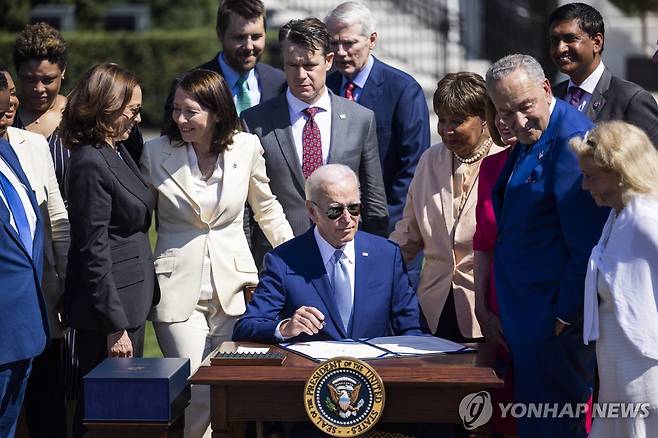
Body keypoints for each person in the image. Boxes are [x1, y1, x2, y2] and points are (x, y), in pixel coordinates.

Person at [142, 68, 293, 438]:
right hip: (177, 292)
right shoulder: (154, 152)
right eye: (176, 109)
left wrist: (296, 261)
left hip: (236, 291)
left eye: (190, 111)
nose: (180, 119)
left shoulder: (246, 147)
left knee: (229, 390)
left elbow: (267, 209)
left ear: (217, 112)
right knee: (199, 390)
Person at [485, 54, 609, 437]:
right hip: (529, 318)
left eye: (525, 107)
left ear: (544, 89)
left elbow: (586, 243)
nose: (518, 121)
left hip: (552, 327)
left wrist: (563, 316)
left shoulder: (573, 142)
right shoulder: (534, 132)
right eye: (505, 112)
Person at [59, 63, 158, 438]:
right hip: (108, 312)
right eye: (131, 110)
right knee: (101, 415)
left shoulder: (114, 149)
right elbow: (92, 250)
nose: (137, 118)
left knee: (121, 413)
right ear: (107, 106)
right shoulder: (89, 162)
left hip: (131, 298)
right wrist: (114, 326)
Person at [242, 18, 388, 268]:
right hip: (278, 261)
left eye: (310, 65)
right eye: (292, 65)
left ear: (329, 61)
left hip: (345, 258)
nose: (301, 75)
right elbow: (244, 208)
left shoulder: (360, 119)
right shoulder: (255, 122)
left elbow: (374, 202)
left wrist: (375, 265)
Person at [233, 164, 424, 343]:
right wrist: (285, 327)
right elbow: (247, 326)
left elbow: (410, 327)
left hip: (374, 372)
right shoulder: (283, 261)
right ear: (312, 211)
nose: (348, 219)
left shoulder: (386, 255)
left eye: (354, 208)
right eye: (335, 210)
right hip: (311, 374)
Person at [389, 72, 502, 344]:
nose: (446, 130)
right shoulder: (430, 160)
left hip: (489, 310)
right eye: (441, 119)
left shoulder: (505, 160)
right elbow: (408, 234)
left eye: (458, 120)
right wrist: (372, 267)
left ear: (484, 118)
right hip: (433, 307)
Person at [572, 121, 658, 438]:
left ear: (619, 173)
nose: (584, 186)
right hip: (619, 371)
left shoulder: (646, 218)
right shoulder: (619, 214)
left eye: (591, 176)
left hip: (645, 374)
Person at [0, 65, 70, 438]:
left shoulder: (22, 147)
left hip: (33, 310)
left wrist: (59, 282)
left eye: (12, 94)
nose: (10, 104)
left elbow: (49, 219)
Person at [325, 1, 430, 233]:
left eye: (350, 43)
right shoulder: (326, 88)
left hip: (390, 228)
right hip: (334, 227)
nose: (341, 52)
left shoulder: (402, 90)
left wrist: (389, 224)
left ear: (372, 40)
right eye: (334, 43)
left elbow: (413, 167)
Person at [0, 72, 48, 438]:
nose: (12, 103)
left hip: (25, 328)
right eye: (6, 96)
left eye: (14, 94)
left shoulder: (11, 152)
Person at [548, 3, 658, 147]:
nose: (560, 48)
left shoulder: (631, 100)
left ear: (597, 42)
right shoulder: (552, 98)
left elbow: (650, 164)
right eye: (554, 41)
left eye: (570, 39)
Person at [472, 99, 517, 437]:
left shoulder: (554, 161)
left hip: (539, 311)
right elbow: (483, 241)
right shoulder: (490, 167)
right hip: (496, 309)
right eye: (497, 114)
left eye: (511, 112)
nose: (504, 121)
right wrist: (481, 308)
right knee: (498, 417)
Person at [164, 0, 286, 120]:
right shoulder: (187, 86)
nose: (249, 46)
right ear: (220, 35)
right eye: (239, 37)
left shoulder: (279, 82)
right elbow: (172, 138)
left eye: (256, 37)